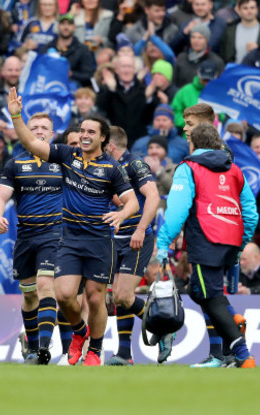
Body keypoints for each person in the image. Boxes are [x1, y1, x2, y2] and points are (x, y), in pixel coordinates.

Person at [7, 87, 139, 366]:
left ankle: (96, 349)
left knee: (95, 298)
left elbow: (132, 203)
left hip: (99, 242)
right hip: (68, 240)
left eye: (91, 132)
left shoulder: (112, 168)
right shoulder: (68, 155)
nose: (85, 136)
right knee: (65, 295)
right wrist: (17, 117)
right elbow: (32, 144)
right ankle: (79, 331)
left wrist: (121, 215)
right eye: (83, 132)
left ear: (103, 138)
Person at [156, 123, 258, 368]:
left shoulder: (188, 168)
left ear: (192, 144)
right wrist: (241, 243)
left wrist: (162, 242)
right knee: (199, 290)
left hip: (205, 238)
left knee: (209, 295)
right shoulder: (234, 170)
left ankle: (243, 355)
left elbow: (177, 210)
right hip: (231, 239)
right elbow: (251, 214)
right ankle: (233, 317)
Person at [0, 112, 63, 365]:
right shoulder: (15, 165)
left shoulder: (63, 161)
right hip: (26, 235)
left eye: (45, 128)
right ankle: (31, 345)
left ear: (52, 134)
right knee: (30, 295)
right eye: (34, 127)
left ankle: (43, 347)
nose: (39, 131)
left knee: (46, 287)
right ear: (26, 132)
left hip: (54, 234)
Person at [104, 126, 160, 365]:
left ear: (110, 146)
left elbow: (154, 196)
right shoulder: (109, 168)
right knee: (118, 297)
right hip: (117, 237)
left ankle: (165, 326)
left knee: (125, 296)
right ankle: (125, 354)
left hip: (137, 237)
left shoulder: (134, 165)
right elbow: (119, 199)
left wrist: (140, 228)